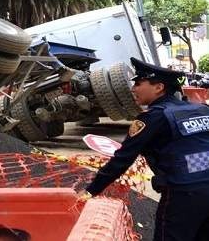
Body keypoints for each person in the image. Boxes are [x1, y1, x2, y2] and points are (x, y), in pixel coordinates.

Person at [78, 58, 209, 240]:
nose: (133, 89)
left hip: (183, 195)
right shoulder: (202, 110)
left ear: (158, 87)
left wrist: (91, 190)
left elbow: (122, 159)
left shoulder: (154, 117)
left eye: (139, 83)